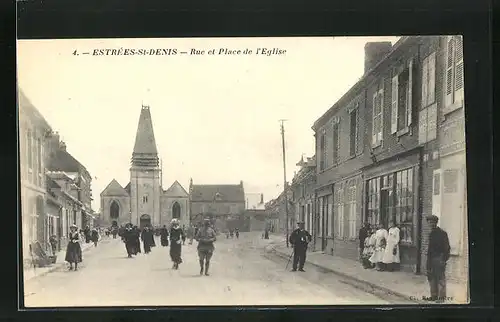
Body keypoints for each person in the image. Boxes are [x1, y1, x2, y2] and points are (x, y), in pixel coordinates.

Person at [426, 215, 450, 303]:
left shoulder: (442, 233)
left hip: (439, 258)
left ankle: (441, 298)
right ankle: (434, 296)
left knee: (440, 278)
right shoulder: (431, 234)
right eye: (429, 222)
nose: (430, 224)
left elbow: (447, 248)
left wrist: (443, 259)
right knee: (431, 277)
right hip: (431, 258)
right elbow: (429, 249)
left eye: (432, 222)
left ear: (436, 223)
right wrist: (428, 261)